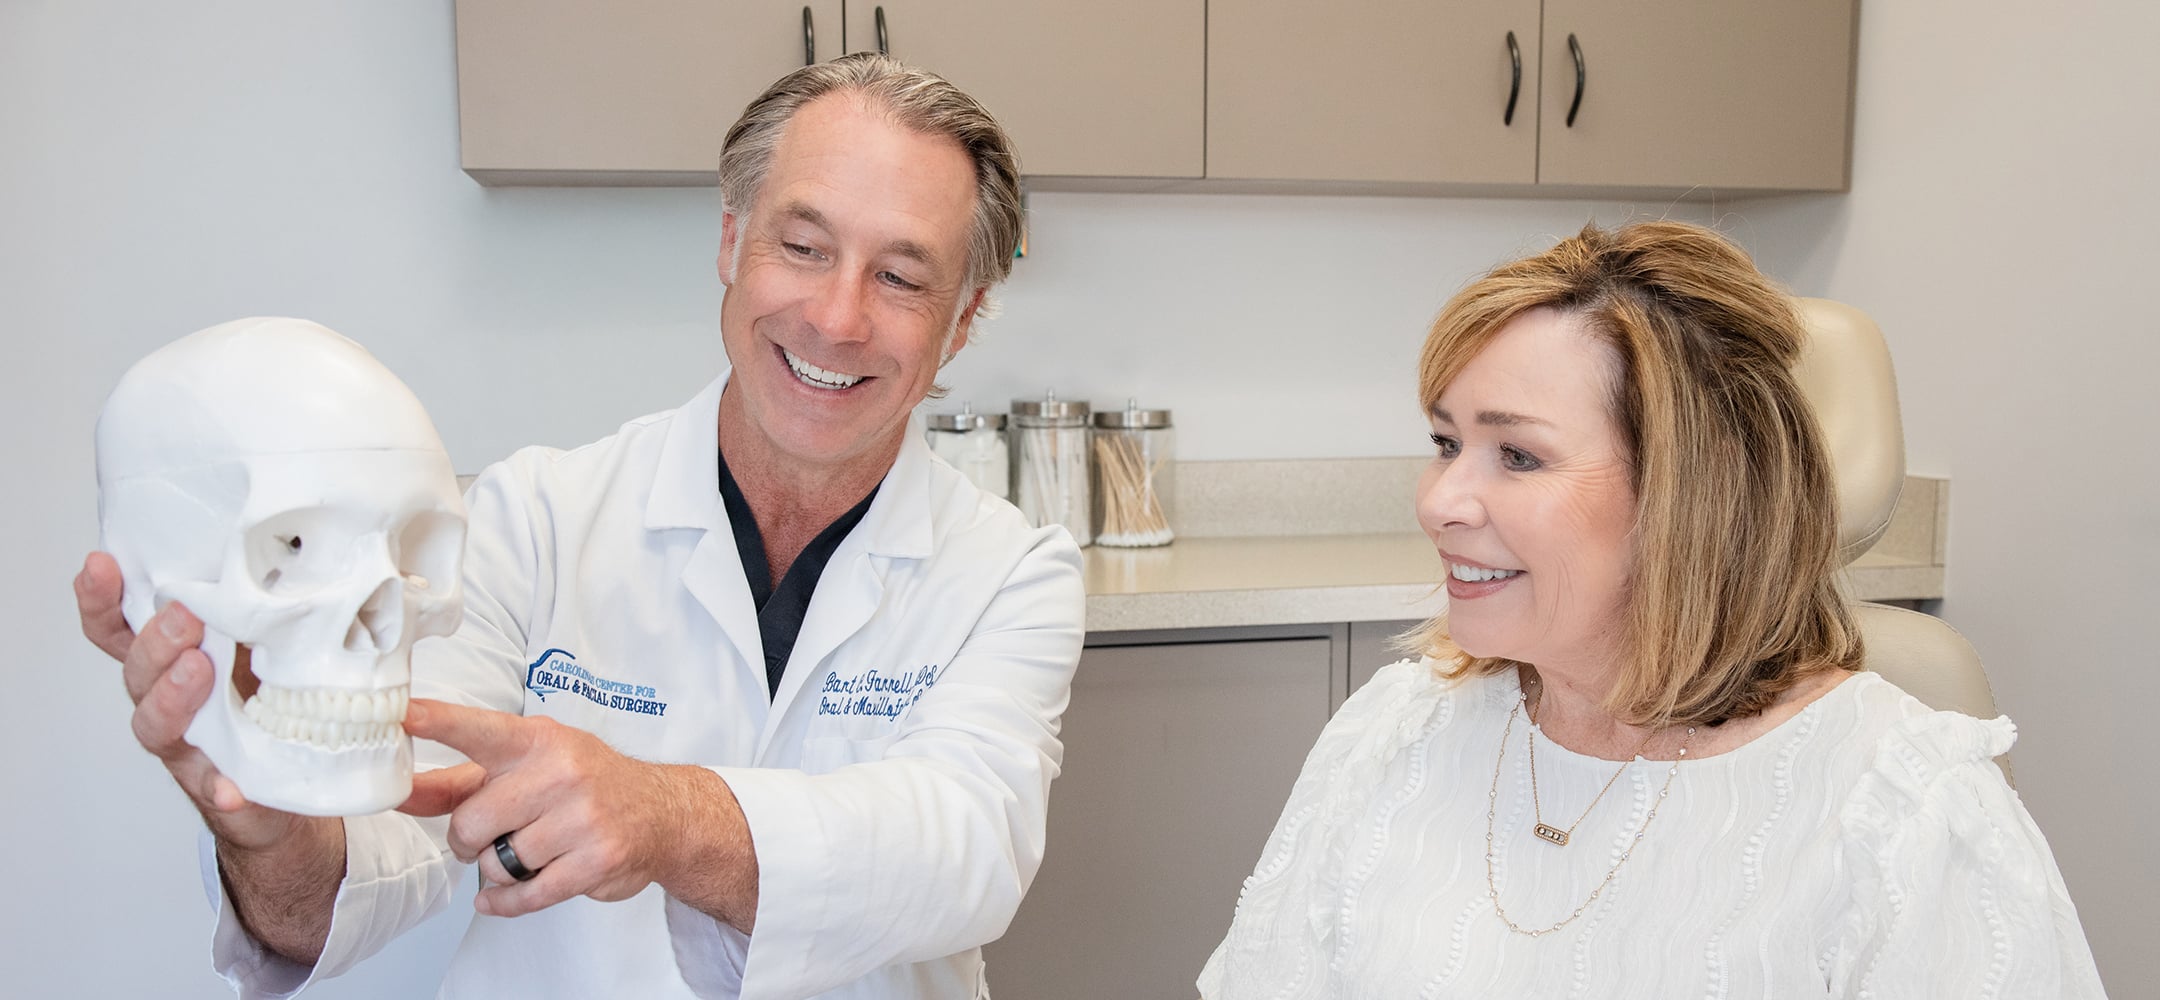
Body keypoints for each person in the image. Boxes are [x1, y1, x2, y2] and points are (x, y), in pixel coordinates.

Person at [76, 53, 1085, 999]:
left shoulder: (1011, 571)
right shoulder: (535, 519)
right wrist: (267, 826)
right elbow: (390, 847)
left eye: (902, 277)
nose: (838, 316)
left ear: (961, 321)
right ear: (733, 243)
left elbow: (968, 851)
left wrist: (667, 815)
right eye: (803, 245)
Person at [1198, 221, 2107, 998]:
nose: (1439, 502)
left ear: (1689, 497)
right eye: (1445, 442)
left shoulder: (1901, 812)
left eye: (1517, 455)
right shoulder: (1394, 737)